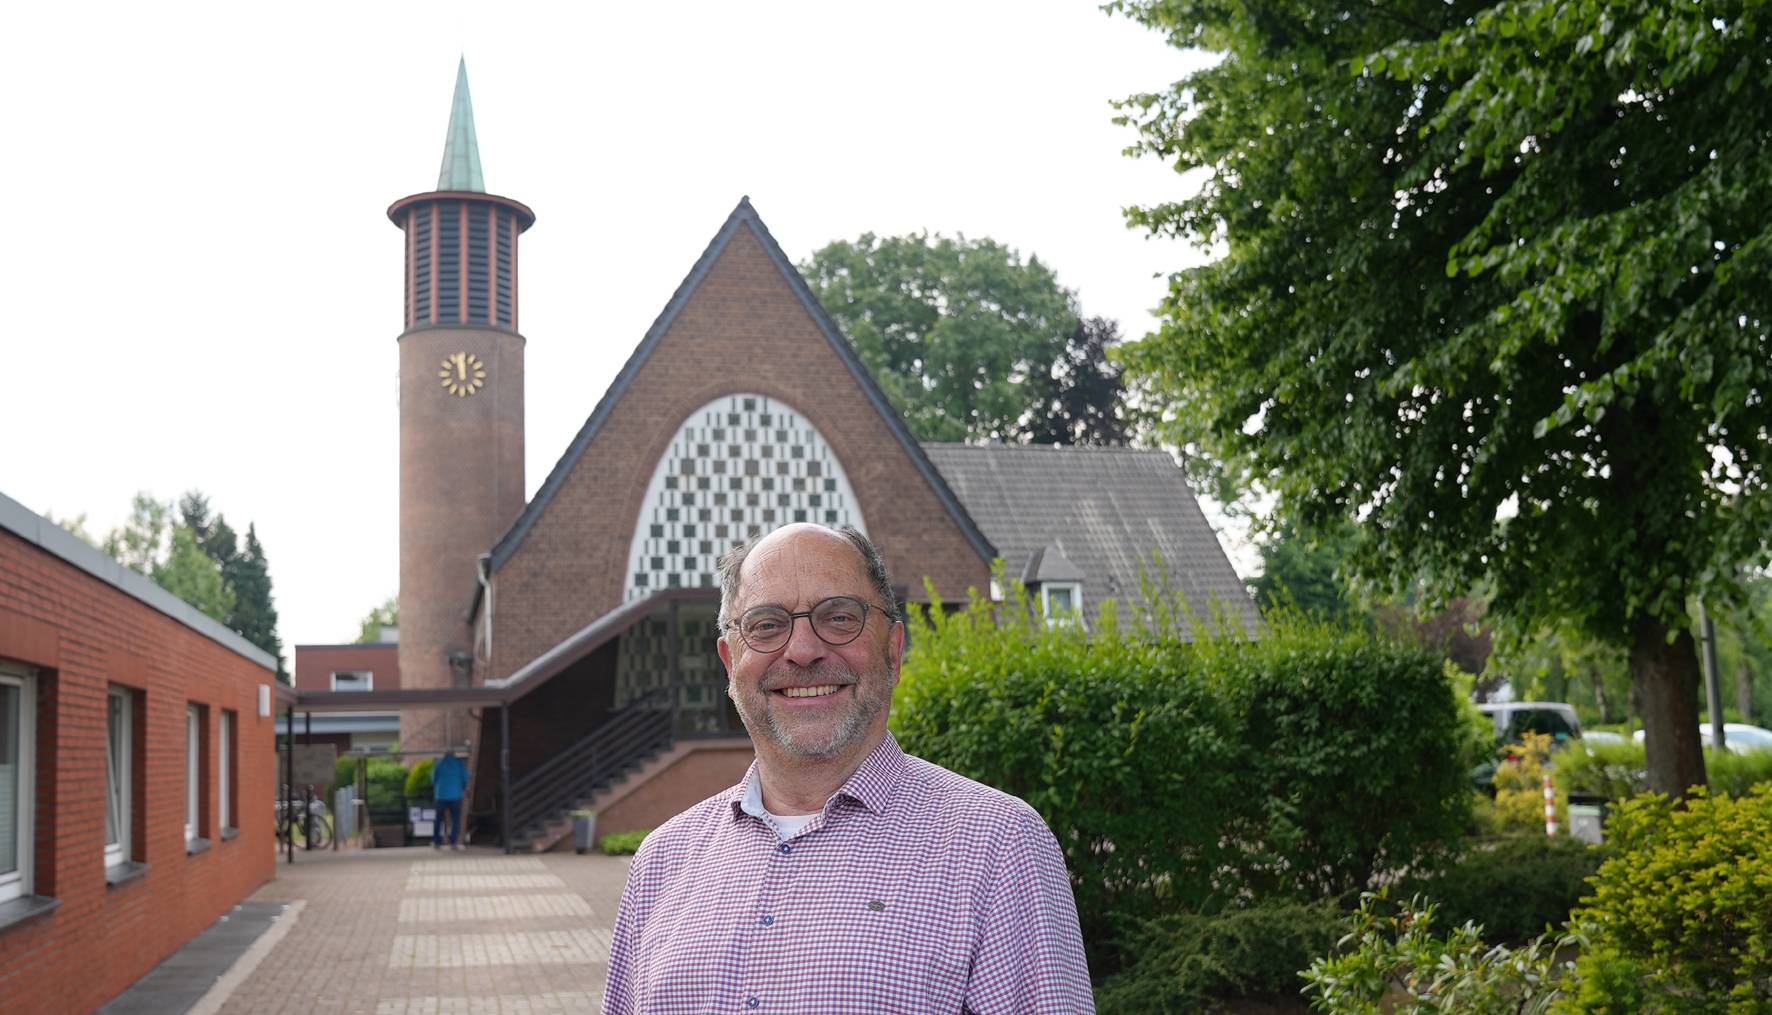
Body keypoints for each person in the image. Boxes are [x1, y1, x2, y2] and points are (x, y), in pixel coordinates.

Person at [602, 524, 1093, 1014]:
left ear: (894, 652)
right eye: (767, 625)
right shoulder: (661, 864)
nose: (802, 650)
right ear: (731, 663)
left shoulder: (999, 846)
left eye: (838, 617)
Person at [431, 748, 468, 850]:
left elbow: (433, 779)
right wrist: (463, 787)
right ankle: (453, 842)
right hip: (456, 796)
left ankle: (436, 842)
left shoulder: (439, 764)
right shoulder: (459, 764)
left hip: (441, 796)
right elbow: (466, 778)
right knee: (455, 819)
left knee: (438, 819)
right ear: (454, 755)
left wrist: (438, 788)